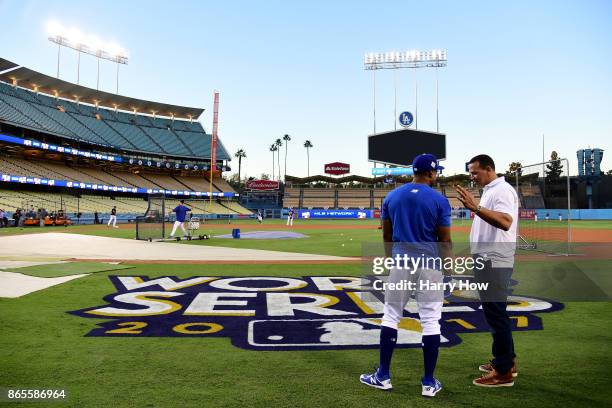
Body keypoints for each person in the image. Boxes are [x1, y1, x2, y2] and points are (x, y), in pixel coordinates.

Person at [360, 153, 452, 398]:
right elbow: (444, 239)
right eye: (436, 171)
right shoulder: (440, 200)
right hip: (431, 262)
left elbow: (386, 236)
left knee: (391, 316)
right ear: (431, 172)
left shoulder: (391, 196)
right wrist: (448, 268)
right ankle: (429, 382)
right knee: (431, 320)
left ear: (415, 171)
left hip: (401, 260)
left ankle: (383, 376)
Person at [455, 154, 519, 387]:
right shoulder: (492, 189)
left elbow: (505, 221)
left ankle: (502, 373)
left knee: (495, 314)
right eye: (470, 173)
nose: (472, 177)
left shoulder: (501, 190)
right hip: (488, 259)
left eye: (475, 172)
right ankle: (507, 361)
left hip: (494, 260)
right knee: (496, 312)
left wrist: (475, 207)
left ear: (489, 169)